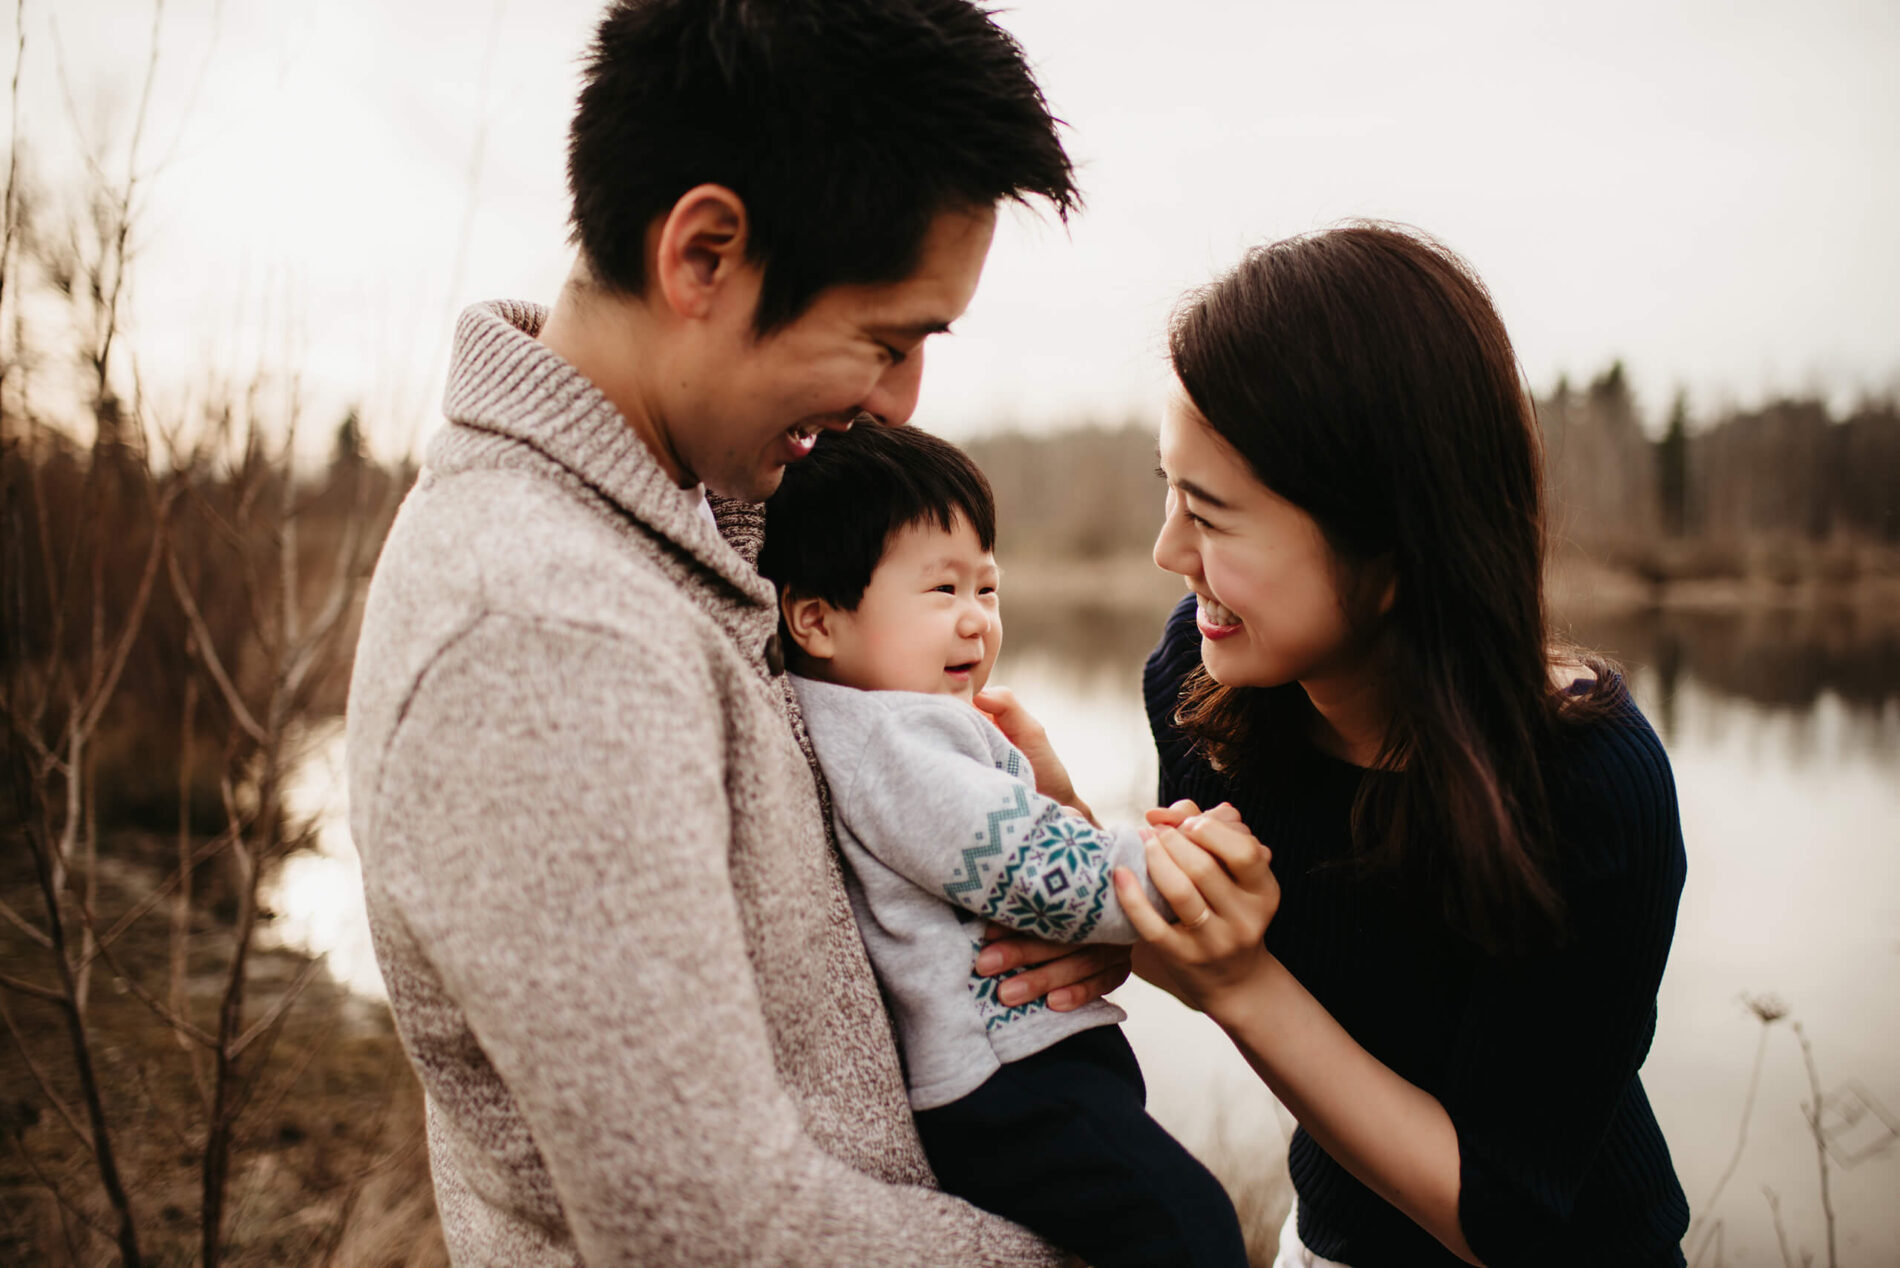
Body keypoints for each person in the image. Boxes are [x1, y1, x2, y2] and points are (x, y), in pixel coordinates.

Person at [345, 2, 1127, 1262]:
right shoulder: (543, 638)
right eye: (887, 339)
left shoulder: (702, 527)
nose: (900, 399)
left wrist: (1033, 905)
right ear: (703, 255)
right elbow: (714, 1232)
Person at [1097, 223, 1690, 1266]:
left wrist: (1242, 983)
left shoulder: (1586, 785)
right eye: (1168, 489)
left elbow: (1501, 1216)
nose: (1165, 550)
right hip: (1328, 1241)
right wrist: (1051, 844)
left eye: (1212, 513)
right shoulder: (1202, 690)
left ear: (1392, 542)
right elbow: (1210, 947)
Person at [757, 423, 1248, 1268]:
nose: (976, 622)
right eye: (940, 590)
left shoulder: (877, 719)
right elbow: (1019, 860)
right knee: (1190, 1228)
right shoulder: (893, 742)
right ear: (817, 620)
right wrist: (1178, 868)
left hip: (1013, 1072)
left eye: (987, 589)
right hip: (1006, 1084)